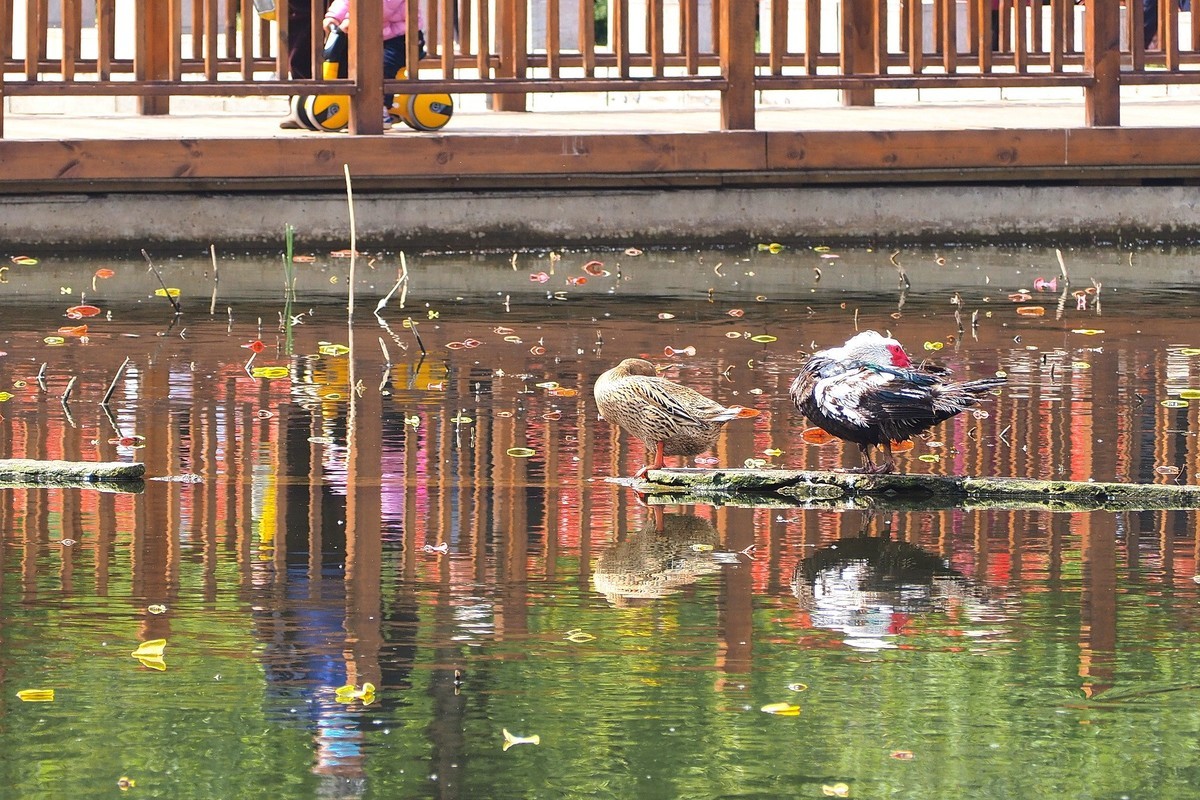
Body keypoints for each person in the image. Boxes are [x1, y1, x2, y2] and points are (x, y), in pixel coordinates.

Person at [322, 0, 425, 128]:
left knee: (381, 65)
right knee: (348, 61)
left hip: (403, 37)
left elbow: (381, 6)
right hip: (375, 34)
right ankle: (347, 102)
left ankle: (379, 109)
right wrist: (334, 16)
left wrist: (353, 18)